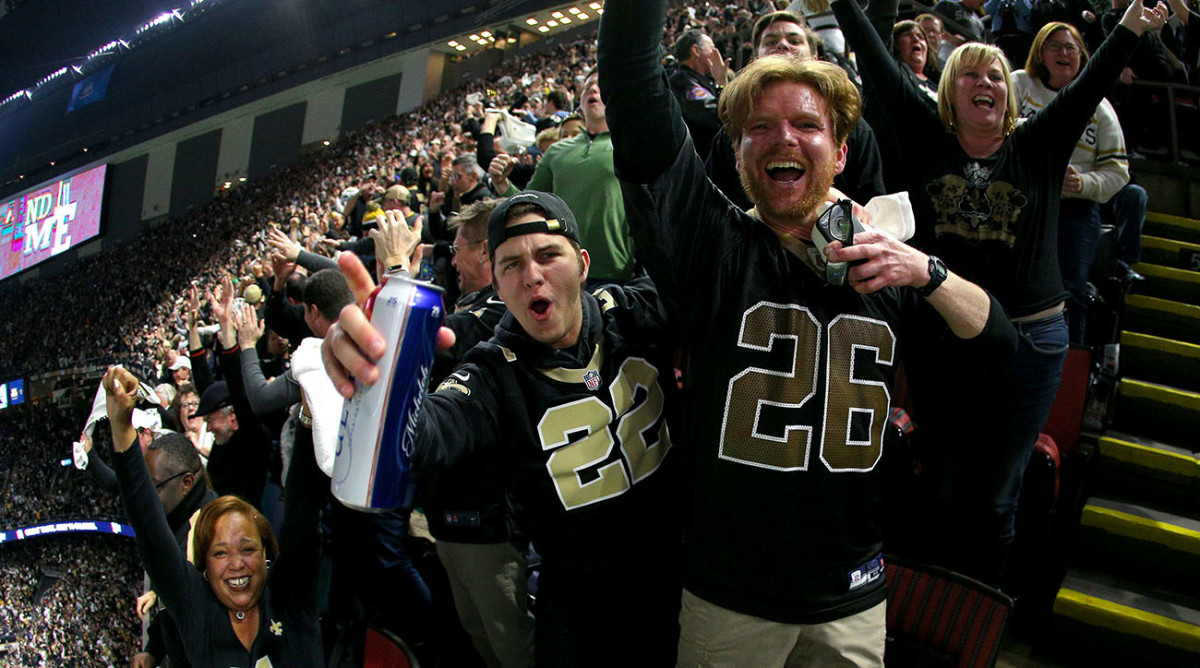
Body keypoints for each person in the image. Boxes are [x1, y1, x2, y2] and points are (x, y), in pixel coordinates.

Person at [598, 1, 1017, 664]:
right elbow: (631, 86)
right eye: (758, 128)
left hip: (855, 594)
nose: (782, 138)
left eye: (804, 124)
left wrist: (929, 273)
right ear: (737, 158)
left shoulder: (892, 265)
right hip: (730, 598)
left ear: (842, 150)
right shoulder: (710, 244)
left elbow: (1004, 356)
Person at [832, 0, 1168, 583]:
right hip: (941, 336)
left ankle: (981, 608)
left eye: (994, 76)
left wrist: (1132, 25)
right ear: (948, 91)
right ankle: (935, 605)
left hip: (1032, 342)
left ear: (1009, 97)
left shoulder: (1039, 144)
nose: (984, 82)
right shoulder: (922, 133)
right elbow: (879, 62)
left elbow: (1091, 81)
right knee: (942, 484)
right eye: (970, 73)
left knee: (996, 495)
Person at [324, 191, 682, 667]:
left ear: (582, 262)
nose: (532, 275)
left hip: (683, 571)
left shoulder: (634, 310)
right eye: (511, 264)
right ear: (496, 281)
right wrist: (375, 381)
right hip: (581, 604)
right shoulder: (491, 371)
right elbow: (423, 435)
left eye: (548, 255)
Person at [103, 365, 325, 667]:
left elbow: (302, 512)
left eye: (247, 549)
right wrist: (120, 427)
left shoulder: (289, 597)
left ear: (265, 554)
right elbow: (150, 530)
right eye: (220, 552)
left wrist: (310, 416)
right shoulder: (198, 612)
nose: (236, 564)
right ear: (204, 565)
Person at [1014, 22, 1132, 343]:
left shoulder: (1101, 107)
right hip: (1018, 200)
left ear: (1083, 55)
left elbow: (1118, 172)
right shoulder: (1018, 85)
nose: (1063, 53)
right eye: (1054, 45)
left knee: (1072, 292)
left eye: (1071, 47)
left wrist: (1084, 183)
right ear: (1039, 51)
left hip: (1075, 212)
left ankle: (1068, 373)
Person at [706, 10, 886, 208]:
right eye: (762, 126)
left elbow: (872, 204)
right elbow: (712, 203)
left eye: (807, 125)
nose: (782, 45)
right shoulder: (732, 131)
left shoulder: (853, 128)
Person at [492, 72, 636, 284]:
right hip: (561, 272)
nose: (592, 90)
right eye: (587, 87)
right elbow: (529, 204)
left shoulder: (632, 143)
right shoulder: (557, 150)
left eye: (600, 85)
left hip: (616, 272)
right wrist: (502, 184)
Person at [669, 29, 731, 161]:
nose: (717, 54)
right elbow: (716, 116)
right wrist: (721, 84)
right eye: (712, 49)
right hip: (699, 167)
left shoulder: (705, 80)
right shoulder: (682, 81)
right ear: (696, 51)